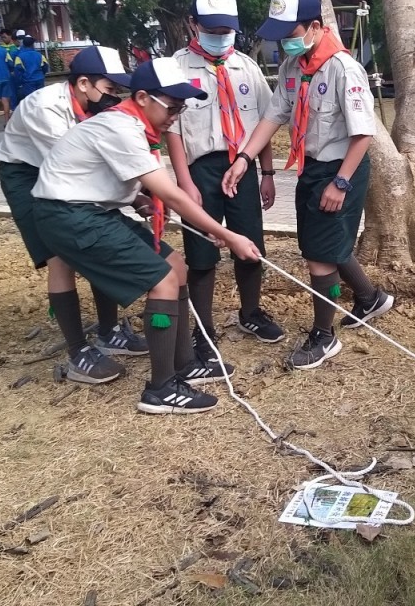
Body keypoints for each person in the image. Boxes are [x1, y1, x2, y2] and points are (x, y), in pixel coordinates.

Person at [31, 58, 262, 413]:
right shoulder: (120, 128)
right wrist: (227, 235)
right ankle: (161, 388)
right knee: (163, 280)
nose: (175, 115)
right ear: (142, 98)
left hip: (91, 209)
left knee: (176, 265)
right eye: (171, 107)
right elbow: (170, 193)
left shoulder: (133, 127)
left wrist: (138, 199)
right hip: (69, 216)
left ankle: (184, 364)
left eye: (181, 108)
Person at [222, 0, 394, 371]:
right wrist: (245, 158)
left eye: (291, 34)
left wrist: (341, 183)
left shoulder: (342, 69)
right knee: (325, 242)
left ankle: (324, 335)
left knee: (319, 255)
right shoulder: (292, 67)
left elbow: (364, 132)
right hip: (312, 167)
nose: (285, 43)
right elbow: (273, 116)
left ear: (315, 26)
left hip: (340, 169)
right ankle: (370, 299)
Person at [0, 45, 149, 382]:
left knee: (98, 243)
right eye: (109, 89)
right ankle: (78, 351)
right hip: (27, 174)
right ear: (83, 83)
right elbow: (73, 165)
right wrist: (137, 195)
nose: (114, 97)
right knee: (61, 256)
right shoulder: (45, 108)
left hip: (71, 172)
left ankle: (109, 333)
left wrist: (142, 189)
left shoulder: (96, 109)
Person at [168, 0, 283, 368]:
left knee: (250, 245)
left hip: (243, 167)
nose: (220, 37)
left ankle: (251, 312)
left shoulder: (246, 68)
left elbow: (263, 124)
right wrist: (184, 182)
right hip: (200, 169)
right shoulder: (177, 69)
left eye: (226, 30)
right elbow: (173, 132)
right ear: (193, 24)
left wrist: (265, 173)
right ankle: (204, 333)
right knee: (201, 253)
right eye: (212, 29)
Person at [12, 35, 49, 107]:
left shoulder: (19, 57)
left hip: (28, 81)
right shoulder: (39, 55)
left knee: (30, 101)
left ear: (23, 44)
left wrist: (19, 82)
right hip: (40, 80)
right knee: (40, 99)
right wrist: (42, 74)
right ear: (32, 44)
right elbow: (45, 66)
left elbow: (18, 71)